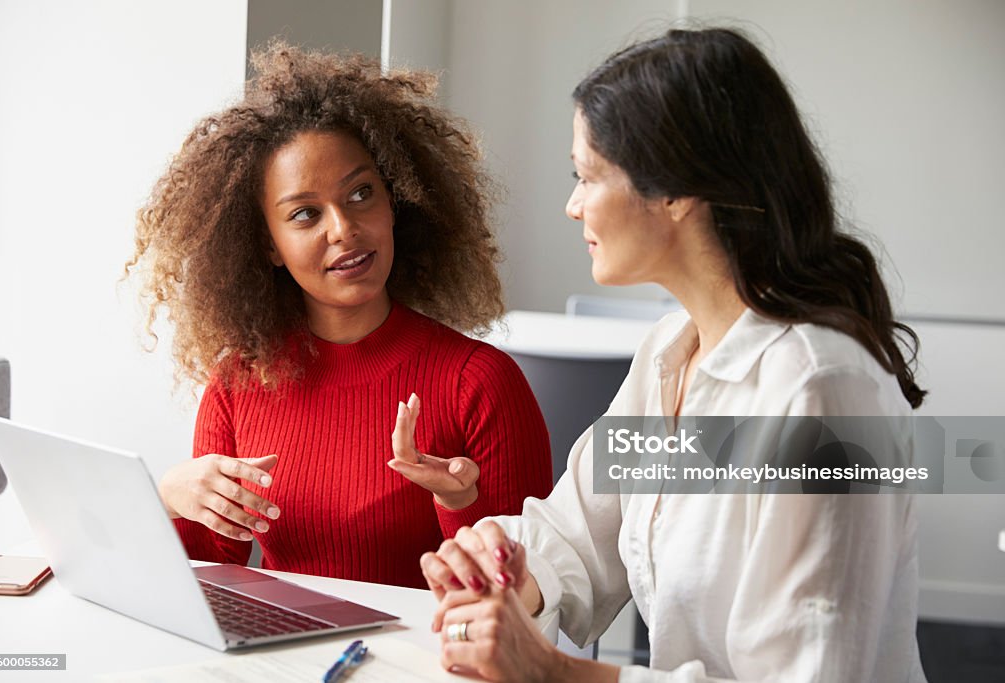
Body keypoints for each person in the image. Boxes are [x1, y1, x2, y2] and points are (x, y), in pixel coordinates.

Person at [419, 28, 928, 681]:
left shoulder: (821, 392)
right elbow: (580, 530)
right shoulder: (670, 352)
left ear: (677, 192)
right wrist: (505, 569)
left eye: (587, 175)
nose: (572, 205)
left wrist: (556, 672)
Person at [126, 43, 552, 590]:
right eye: (305, 214)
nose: (343, 228)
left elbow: (521, 596)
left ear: (394, 203)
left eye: (360, 194)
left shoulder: (481, 382)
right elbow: (210, 575)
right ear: (269, 245)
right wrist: (169, 500)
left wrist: (457, 501)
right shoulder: (237, 384)